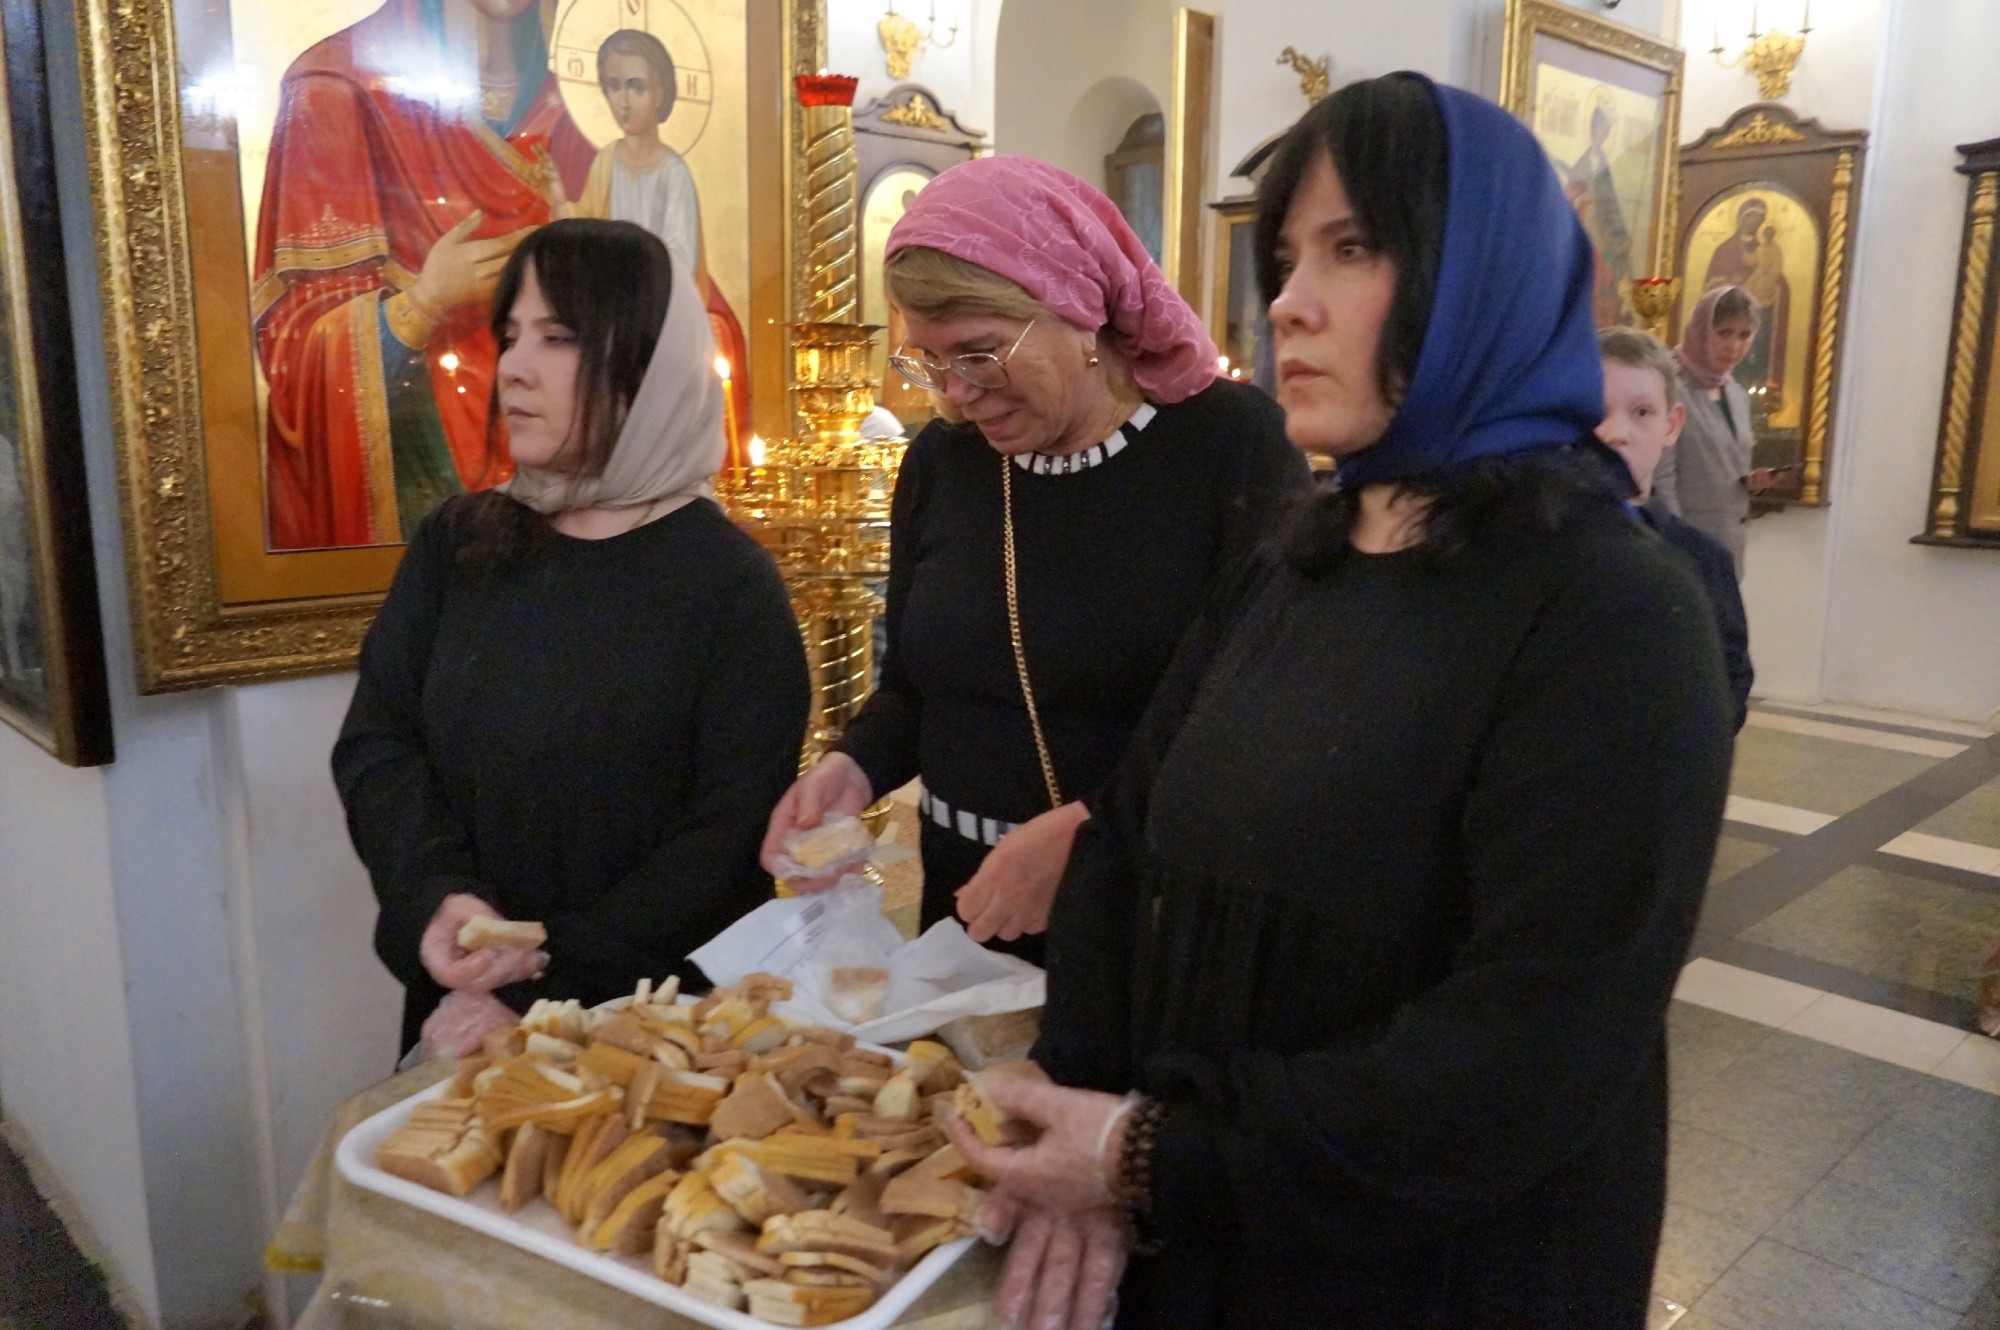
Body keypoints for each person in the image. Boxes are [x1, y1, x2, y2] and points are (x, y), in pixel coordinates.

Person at [945, 74, 1735, 1330]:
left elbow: (1531, 1045)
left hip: (1425, 1276)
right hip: (1208, 1234)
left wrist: (1141, 1153)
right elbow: (1127, 843)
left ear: (1484, 276)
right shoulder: (1292, 560)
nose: (1288, 303)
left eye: (1352, 249)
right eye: (1284, 258)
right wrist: (1076, 1111)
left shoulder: (1615, 612)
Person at [759, 156, 1309, 964]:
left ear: (1076, 306)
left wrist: (1095, 831)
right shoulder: (945, 462)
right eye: (929, 360)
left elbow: (1261, 714)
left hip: (1153, 899)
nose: (956, 391)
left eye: (978, 352)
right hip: (967, 908)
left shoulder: (1230, 446)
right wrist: (854, 766)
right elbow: (917, 686)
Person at [333, 219, 810, 1057]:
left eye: (558, 337)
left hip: (648, 1027)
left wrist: (537, 985)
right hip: (466, 994)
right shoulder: (460, 544)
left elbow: (725, 841)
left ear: (647, 367)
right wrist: (438, 897)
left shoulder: (729, 585)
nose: (514, 366)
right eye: (511, 334)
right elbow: (381, 745)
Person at [254, 0, 596, 551]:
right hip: (420, 481)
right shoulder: (335, 87)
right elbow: (296, 349)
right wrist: (426, 304)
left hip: (560, 488)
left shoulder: (575, 113)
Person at [569, 28, 751, 461]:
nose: (623, 101)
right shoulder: (606, 162)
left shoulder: (673, 173)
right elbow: (587, 232)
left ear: (660, 94)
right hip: (613, 317)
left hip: (660, 318)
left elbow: (678, 257)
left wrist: (627, 283)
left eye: (636, 86)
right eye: (613, 86)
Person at [1598, 327, 1753, 730]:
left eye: (1642, 412)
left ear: (1671, 425)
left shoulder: (1703, 560)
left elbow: (1730, 682)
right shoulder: (1539, 547)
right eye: (1598, 411)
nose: (1615, 433)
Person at [1655, 284, 1783, 577]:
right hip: (1685, 553)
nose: (1734, 346)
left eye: (1744, 335)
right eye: (1724, 333)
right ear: (1701, 331)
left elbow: (1725, 465)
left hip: (1728, 550)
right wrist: (1675, 553)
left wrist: (1753, 481)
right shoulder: (1671, 387)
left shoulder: (1735, 393)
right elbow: (1661, 482)